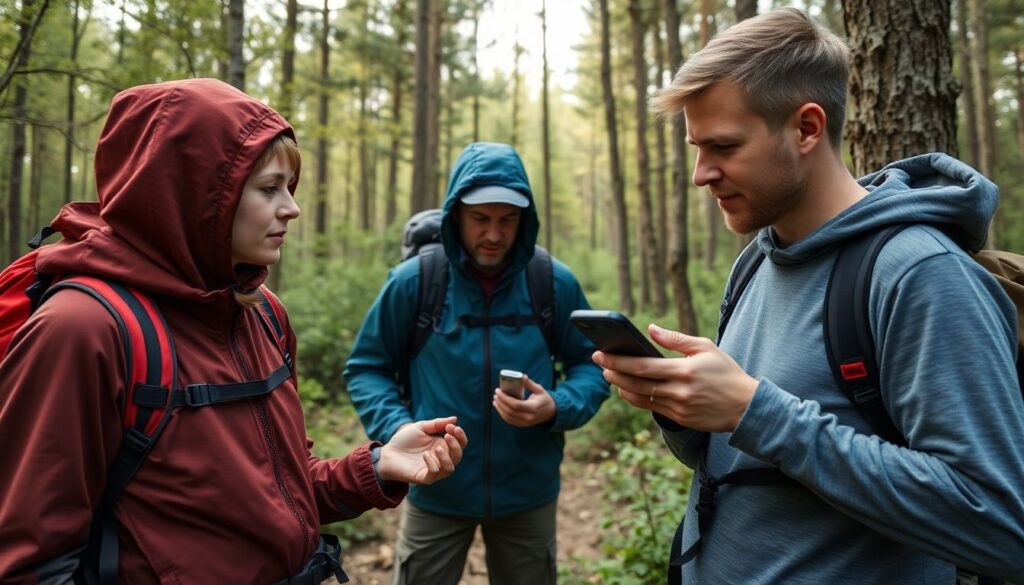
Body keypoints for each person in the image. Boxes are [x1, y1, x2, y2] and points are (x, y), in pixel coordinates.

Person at [593, 8, 1024, 585]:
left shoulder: (919, 275)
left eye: (723, 147)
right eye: (697, 147)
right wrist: (686, 411)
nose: (700, 174)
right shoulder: (756, 259)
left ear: (806, 128)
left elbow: (1000, 526)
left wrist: (757, 412)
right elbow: (747, 461)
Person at [0, 78, 467, 584]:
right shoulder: (83, 329)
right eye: (269, 189)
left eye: (288, 188)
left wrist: (379, 466)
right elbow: (32, 564)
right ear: (193, 195)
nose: (292, 208)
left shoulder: (259, 313)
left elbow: (283, 491)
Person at [344, 142, 609, 584]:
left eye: (507, 221)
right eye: (480, 219)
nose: (493, 235)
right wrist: (398, 429)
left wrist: (556, 407)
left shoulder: (553, 282)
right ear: (455, 216)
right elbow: (367, 368)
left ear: (525, 221)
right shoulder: (416, 282)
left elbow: (591, 363)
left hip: (528, 493)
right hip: (435, 489)